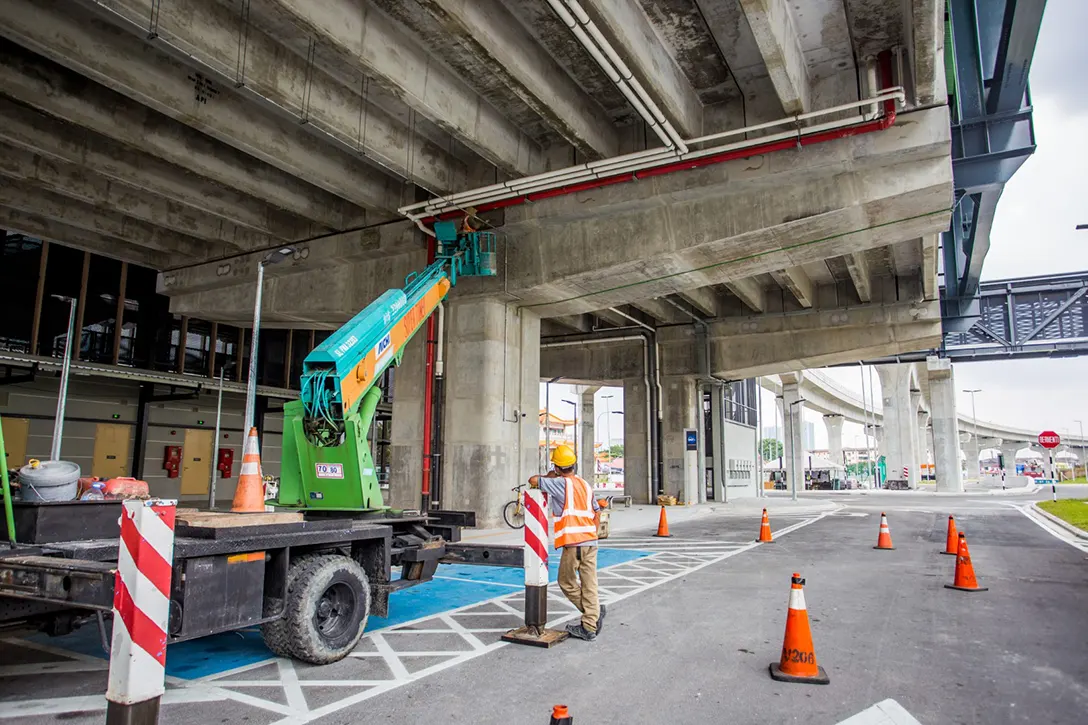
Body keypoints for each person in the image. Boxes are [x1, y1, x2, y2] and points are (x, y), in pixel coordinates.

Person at [528, 444, 605, 641]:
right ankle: (592, 616)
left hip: (574, 542)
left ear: (557, 467)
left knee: (566, 582)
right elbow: (597, 511)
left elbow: (533, 481)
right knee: (589, 583)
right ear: (574, 464)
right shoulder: (584, 484)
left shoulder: (562, 484)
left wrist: (549, 476)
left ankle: (591, 619)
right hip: (590, 540)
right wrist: (592, 533)